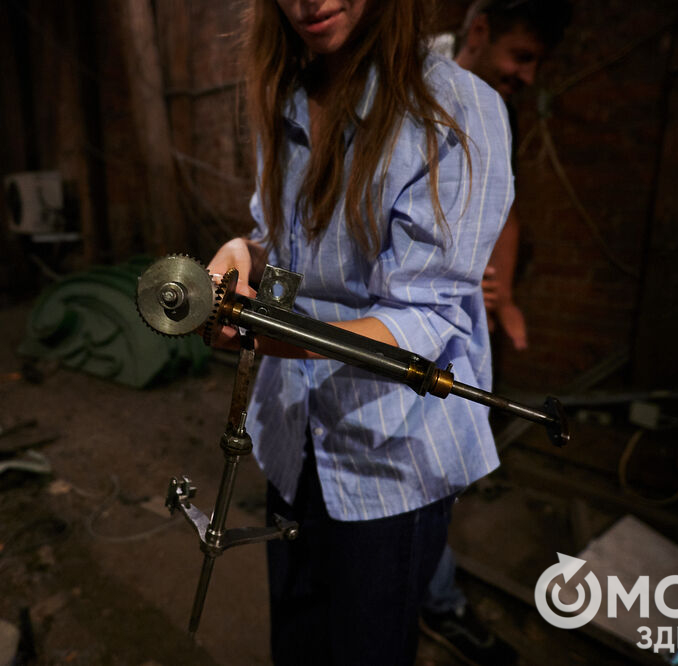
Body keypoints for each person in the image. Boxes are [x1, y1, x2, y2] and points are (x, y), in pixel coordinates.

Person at [206, 1, 513, 663]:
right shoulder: (288, 91)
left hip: (389, 456)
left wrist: (271, 335)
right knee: (296, 643)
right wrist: (241, 253)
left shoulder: (455, 110)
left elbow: (425, 314)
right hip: (290, 437)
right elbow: (282, 245)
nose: (309, 3)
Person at [419, 1, 572, 663]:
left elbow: (503, 211)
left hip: (452, 331)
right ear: (479, 32)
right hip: (398, 325)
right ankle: (428, 601)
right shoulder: (409, 84)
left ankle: (432, 597)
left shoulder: (495, 112)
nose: (528, 76)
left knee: (436, 479)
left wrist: (502, 296)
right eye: (521, 56)